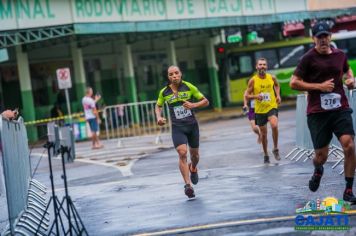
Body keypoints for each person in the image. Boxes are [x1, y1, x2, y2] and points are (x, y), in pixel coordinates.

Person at [290, 22, 356, 202]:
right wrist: (319, 86)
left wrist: (351, 80)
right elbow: (294, 82)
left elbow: (347, 71)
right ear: (314, 39)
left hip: (340, 108)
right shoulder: (307, 59)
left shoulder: (340, 55)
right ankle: (318, 169)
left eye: (326, 36)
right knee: (321, 156)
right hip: (317, 113)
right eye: (319, 37)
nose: (323, 40)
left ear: (330, 37)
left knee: (349, 145)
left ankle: (348, 190)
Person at [155, 65, 209, 199]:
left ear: (181, 74)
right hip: (178, 128)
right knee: (182, 153)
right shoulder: (164, 92)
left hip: (192, 127)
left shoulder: (189, 87)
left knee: (195, 156)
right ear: (168, 77)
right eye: (171, 74)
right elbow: (158, 106)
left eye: (176, 73)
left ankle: (194, 168)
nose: (174, 76)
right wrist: (159, 117)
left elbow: (205, 101)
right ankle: (188, 185)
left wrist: (193, 105)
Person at [246, 58, 281, 163]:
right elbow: (247, 95)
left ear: (266, 67)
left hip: (271, 106)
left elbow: (277, 85)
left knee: (274, 125)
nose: (262, 66)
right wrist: (256, 96)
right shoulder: (253, 80)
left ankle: (275, 148)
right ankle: (266, 153)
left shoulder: (272, 77)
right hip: (260, 110)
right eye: (260, 65)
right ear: (256, 67)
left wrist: (278, 95)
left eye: (264, 65)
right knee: (264, 134)